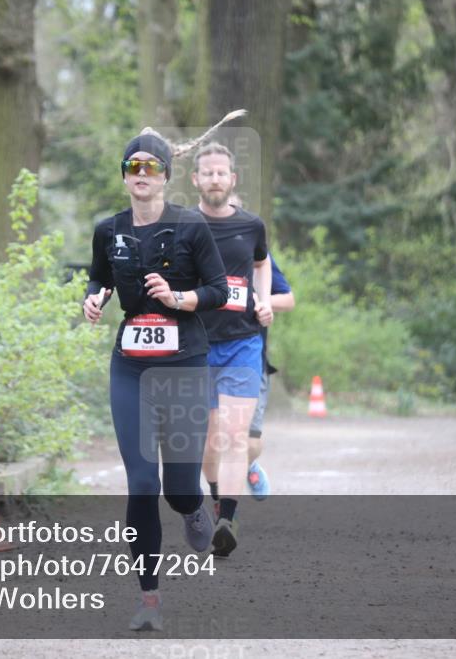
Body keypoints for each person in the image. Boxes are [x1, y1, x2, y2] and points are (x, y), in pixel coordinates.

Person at [83, 123, 231, 631]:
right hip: (130, 366)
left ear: (166, 176)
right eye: (132, 167)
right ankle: (149, 600)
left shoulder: (191, 227)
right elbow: (99, 274)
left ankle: (194, 508)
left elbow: (217, 290)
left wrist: (178, 299)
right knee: (142, 482)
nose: (141, 174)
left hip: (185, 363)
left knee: (178, 486)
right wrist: (96, 296)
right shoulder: (109, 229)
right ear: (125, 177)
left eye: (150, 167)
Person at [191, 143, 270, 558]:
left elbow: (261, 264)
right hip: (198, 345)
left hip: (242, 343)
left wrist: (265, 300)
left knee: (235, 437)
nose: (215, 179)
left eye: (222, 173)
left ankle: (228, 519)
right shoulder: (184, 225)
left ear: (232, 179)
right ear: (196, 180)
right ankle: (219, 496)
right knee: (209, 444)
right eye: (208, 173)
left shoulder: (252, 225)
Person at [245, 253, 295, 498]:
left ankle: (248, 465)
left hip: (253, 359)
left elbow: (288, 300)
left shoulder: (254, 250)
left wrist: (260, 300)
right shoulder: (196, 243)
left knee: (250, 443)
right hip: (209, 358)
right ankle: (222, 507)